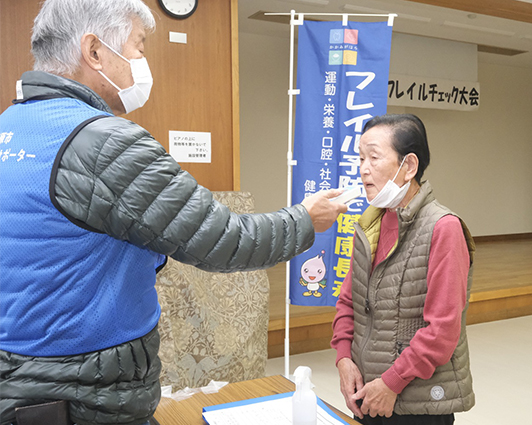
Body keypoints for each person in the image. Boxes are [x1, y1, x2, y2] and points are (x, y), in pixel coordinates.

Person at [0, 1, 347, 424]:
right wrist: (306, 218)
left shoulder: (10, 126)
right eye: (138, 46)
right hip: (84, 394)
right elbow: (225, 240)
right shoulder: (105, 142)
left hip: (21, 384)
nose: (142, 62)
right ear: (94, 52)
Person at [331, 114, 476, 425]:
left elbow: (442, 331)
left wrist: (391, 383)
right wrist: (344, 359)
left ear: (409, 166)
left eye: (373, 156)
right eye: (360, 158)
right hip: (369, 395)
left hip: (417, 403)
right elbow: (348, 302)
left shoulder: (443, 228)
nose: (363, 168)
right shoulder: (368, 225)